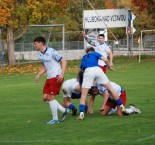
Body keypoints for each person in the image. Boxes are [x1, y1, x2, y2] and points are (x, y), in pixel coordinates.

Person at [78, 47, 129, 120]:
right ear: (93, 51)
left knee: (83, 94)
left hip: (88, 71)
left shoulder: (84, 58)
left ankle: (81, 114)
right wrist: (109, 66)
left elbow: (80, 71)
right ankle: (122, 107)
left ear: (87, 53)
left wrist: (80, 82)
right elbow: (105, 59)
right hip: (98, 69)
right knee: (110, 88)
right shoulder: (95, 53)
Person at [34, 36, 68, 125]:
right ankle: (64, 110)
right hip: (49, 77)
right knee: (45, 98)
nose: (34, 45)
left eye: (35, 44)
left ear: (41, 43)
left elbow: (64, 61)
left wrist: (62, 74)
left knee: (51, 98)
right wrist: (39, 74)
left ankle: (55, 119)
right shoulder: (40, 53)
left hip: (56, 76)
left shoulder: (51, 51)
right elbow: (45, 66)